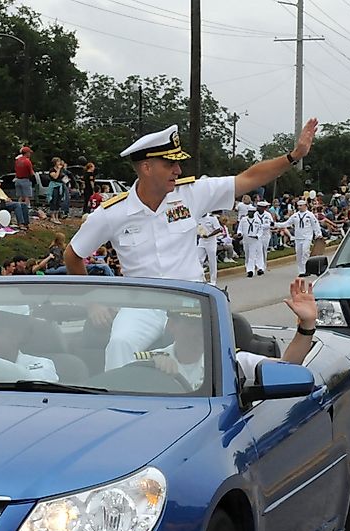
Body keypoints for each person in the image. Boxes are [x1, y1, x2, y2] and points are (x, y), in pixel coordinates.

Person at [63, 120, 318, 368]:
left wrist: (293, 156)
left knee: (218, 361)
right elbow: (73, 255)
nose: (178, 171)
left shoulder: (191, 194)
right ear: (146, 167)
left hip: (191, 303)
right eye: (170, 163)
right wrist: (93, 302)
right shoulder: (112, 212)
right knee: (120, 343)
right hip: (143, 305)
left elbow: (248, 178)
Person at [134, 277, 319, 392]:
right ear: (172, 325)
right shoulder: (148, 362)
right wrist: (150, 372)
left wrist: (307, 325)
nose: (200, 331)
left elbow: (288, 369)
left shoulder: (233, 362)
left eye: (205, 324)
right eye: (192, 323)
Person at [279, 199, 322, 276]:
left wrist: (318, 233)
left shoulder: (310, 215)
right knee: (299, 254)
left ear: (305, 206)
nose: (299, 207)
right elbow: (286, 223)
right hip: (298, 237)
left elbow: (315, 225)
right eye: (298, 206)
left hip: (307, 237)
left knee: (305, 252)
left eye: (301, 205)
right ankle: (301, 271)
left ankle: (307, 270)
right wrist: (275, 224)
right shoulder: (295, 215)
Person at [240, 201, 270, 277]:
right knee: (247, 254)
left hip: (256, 239)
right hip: (246, 239)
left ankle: (257, 269)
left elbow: (261, 229)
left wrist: (257, 235)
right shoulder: (244, 219)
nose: (251, 213)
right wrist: (239, 233)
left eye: (252, 212)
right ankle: (248, 268)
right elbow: (240, 228)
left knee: (258, 254)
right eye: (250, 212)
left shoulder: (258, 219)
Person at [195, 211, 220, 283]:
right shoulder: (198, 218)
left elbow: (218, 229)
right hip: (202, 240)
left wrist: (209, 235)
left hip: (211, 241)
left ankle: (213, 281)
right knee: (199, 259)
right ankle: (201, 279)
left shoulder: (212, 218)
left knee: (212, 261)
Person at [13, 146, 35, 214]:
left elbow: (16, 170)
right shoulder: (27, 161)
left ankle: (19, 208)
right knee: (26, 196)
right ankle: (26, 209)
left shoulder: (17, 161)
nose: (30, 154)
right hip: (25, 180)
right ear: (26, 153)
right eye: (29, 153)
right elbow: (31, 172)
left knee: (19, 196)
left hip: (17, 180)